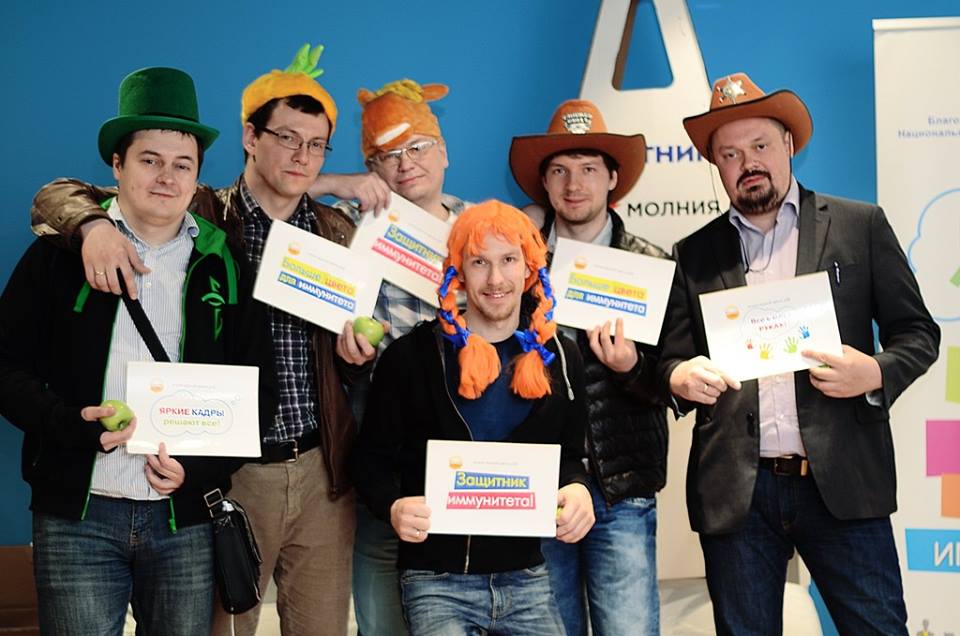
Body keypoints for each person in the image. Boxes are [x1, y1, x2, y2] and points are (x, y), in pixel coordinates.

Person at [29, 45, 369, 635]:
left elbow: (351, 362)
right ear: (250, 137)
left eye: (317, 145)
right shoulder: (203, 210)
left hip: (319, 465)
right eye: (288, 138)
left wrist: (358, 359)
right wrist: (92, 225)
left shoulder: (337, 231)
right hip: (233, 467)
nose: (302, 155)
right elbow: (56, 197)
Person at [658, 72, 940, 635]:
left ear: (788, 143)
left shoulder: (859, 225)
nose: (748, 163)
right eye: (730, 154)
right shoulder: (693, 254)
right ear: (716, 165)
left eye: (760, 145)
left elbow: (918, 333)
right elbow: (670, 358)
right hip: (738, 492)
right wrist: (679, 376)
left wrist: (874, 371)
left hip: (842, 481)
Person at [0, 67, 276, 635]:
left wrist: (198, 471)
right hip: (76, 514)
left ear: (197, 176)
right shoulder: (58, 256)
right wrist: (67, 422)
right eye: (149, 160)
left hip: (184, 522)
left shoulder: (225, 263)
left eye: (183, 165)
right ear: (116, 166)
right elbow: (4, 367)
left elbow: (260, 396)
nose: (166, 177)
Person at [351, 200, 595, 635]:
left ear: (530, 268)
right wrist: (392, 505)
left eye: (509, 260)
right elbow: (370, 461)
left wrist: (577, 488)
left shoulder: (562, 356)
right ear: (458, 270)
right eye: (480, 262)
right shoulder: (411, 357)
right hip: (435, 581)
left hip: (527, 578)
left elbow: (569, 456)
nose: (496, 279)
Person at [508, 98, 669, 635]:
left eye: (588, 170)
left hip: (622, 487)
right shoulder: (515, 266)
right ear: (544, 184)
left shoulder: (650, 264)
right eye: (559, 171)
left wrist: (630, 367)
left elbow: (671, 382)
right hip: (538, 484)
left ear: (613, 179)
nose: (573, 185)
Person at [330, 78, 467, 636]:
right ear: (371, 169)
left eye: (417, 147)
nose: (405, 163)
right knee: (382, 615)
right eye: (387, 156)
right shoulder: (348, 222)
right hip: (385, 452)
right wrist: (338, 182)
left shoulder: (481, 225)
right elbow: (271, 193)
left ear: (444, 152)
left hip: (468, 451)